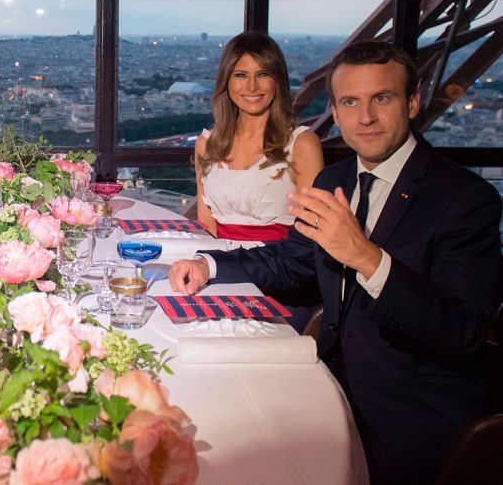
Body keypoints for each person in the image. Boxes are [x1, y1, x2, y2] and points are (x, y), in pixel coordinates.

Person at [169, 41, 501, 485]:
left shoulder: (464, 198)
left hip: (406, 413)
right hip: (325, 380)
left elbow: (463, 331)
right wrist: (210, 267)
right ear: (336, 112)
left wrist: (366, 257)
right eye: (350, 102)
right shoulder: (335, 180)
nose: (365, 117)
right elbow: (293, 260)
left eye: (381, 98)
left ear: (413, 101)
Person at [195, 31, 323, 244]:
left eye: (263, 74)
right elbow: (206, 226)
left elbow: (308, 236)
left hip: (277, 269)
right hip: (218, 267)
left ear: (278, 80)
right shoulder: (207, 144)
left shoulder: (302, 145)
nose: (252, 86)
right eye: (241, 75)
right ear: (226, 81)